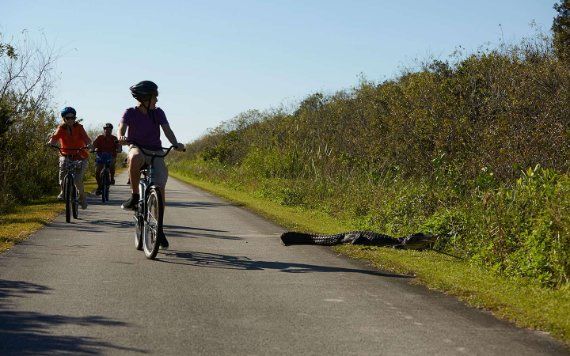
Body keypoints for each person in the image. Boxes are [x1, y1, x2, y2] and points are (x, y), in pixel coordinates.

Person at [117, 80, 185, 248]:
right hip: (138, 148)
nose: (157, 100)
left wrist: (176, 144)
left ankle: (159, 229)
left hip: (156, 151)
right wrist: (121, 136)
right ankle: (134, 197)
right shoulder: (130, 112)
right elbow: (121, 128)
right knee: (134, 157)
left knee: (160, 190)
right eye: (155, 97)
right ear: (145, 98)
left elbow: (167, 130)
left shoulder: (158, 113)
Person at [48, 107, 93, 209]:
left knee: (77, 180)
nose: (70, 120)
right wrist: (51, 143)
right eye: (68, 118)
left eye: (72, 117)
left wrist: (89, 144)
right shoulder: (61, 128)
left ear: (74, 118)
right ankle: (63, 191)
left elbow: (86, 138)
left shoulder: (79, 127)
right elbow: (54, 137)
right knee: (62, 174)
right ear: (64, 119)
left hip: (80, 156)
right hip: (66, 155)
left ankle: (82, 197)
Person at [93, 123, 122, 195]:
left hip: (111, 156)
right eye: (106, 129)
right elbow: (93, 145)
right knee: (97, 172)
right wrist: (93, 149)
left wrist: (119, 149)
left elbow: (119, 146)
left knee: (112, 164)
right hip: (100, 156)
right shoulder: (99, 137)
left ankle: (112, 178)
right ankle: (99, 187)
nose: (107, 130)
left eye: (109, 129)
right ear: (104, 130)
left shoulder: (114, 138)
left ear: (111, 130)